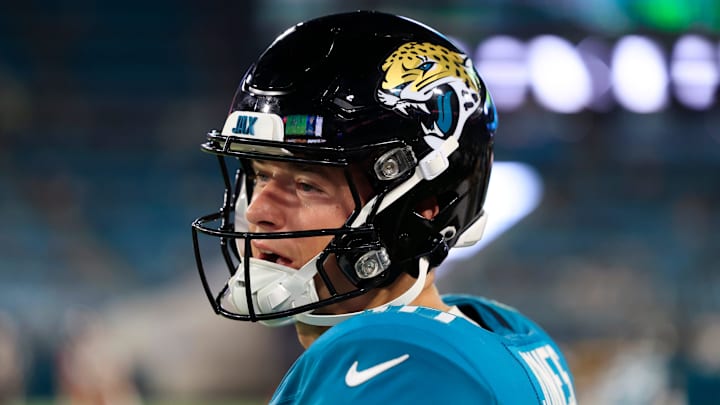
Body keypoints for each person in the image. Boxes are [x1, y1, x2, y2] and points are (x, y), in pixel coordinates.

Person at [192, 10, 577, 404]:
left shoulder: (398, 359)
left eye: (308, 185)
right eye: (259, 175)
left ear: (423, 208)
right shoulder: (502, 333)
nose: (258, 211)